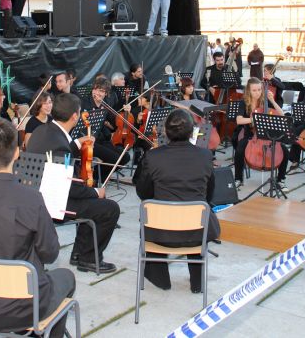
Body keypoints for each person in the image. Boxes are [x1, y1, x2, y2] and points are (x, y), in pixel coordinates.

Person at [0, 118, 75, 337]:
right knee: (67, 277)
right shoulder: (30, 198)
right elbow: (50, 254)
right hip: (24, 307)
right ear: (17, 153)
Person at [26, 93, 119, 274]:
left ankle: (79, 253)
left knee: (90, 204)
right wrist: (95, 192)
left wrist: (78, 143)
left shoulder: (43, 131)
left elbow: (59, 152)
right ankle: (89, 258)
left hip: (36, 195)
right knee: (108, 208)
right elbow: (70, 187)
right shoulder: (59, 143)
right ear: (75, 116)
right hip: (52, 203)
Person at [132, 109, 220, 293]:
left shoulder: (153, 156)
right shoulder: (205, 156)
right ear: (192, 132)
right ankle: (197, 282)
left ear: (165, 130)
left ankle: (160, 279)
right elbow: (209, 194)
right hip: (197, 231)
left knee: (152, 213)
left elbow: (143, 192)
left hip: (160, 231)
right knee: (200, 212)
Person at [231, 78, 289, 187]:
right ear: (248, 91)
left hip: (268, 135)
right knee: (239, 150)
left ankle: (281, 179)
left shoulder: (265, 100)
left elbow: (282, 115)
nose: (257, 93)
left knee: (284, 151)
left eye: (259, 90)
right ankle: (238, 179)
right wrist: (253, 119)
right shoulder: (244, 103)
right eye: (254, 90)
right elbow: (239, 120)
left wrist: (272, 100)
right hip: (252, 136)